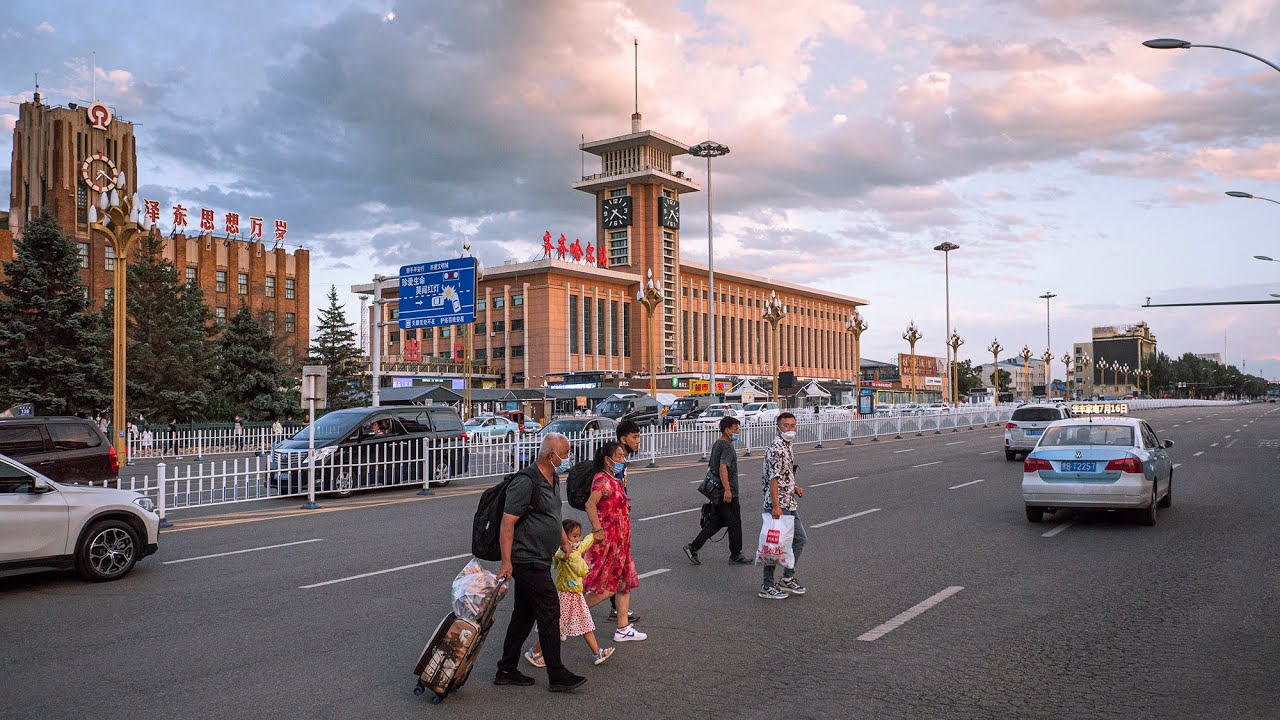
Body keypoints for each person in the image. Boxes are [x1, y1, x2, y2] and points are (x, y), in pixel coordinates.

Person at [494, 433, 587, 692]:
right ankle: (557, 675)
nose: (568, 458)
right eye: (565, 454)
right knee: (549, 612)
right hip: (527, 559)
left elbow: (553, 515)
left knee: (523, 615)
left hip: (541, 557)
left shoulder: (553, 477)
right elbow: (508, 522)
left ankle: (506, 669)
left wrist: (564, 543)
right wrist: (506, 562)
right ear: (550, 455)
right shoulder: (526, 482)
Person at [523, 519, 615, 669]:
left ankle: (598, 652)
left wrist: (593, 535)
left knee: (584, 623)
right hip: (565, 595)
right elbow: (580, 569)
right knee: (555, 627)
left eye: (579, 535)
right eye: (574, 536)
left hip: (575, 595)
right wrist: (587, 569)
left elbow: (585, 544)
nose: (578, 539)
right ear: (564, 537)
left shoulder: (574, 549)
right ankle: (535, 651)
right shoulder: (565, 553)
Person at [584, 441, 646, 642]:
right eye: (618, 456)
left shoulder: (615, 479)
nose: (622, 460)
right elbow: (590, 505)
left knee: (623, 584)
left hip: (621, 543)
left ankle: (623, 628)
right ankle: (563, 616)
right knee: (605, 588)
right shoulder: (602, 480)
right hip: (609, 542)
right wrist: (597, 529)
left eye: (623, 456)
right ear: (607, 460)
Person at [683, 416, 750, 564]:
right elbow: (723, 468)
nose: (738, 431)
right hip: (726, 492)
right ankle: (735, 555)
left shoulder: (717, 444)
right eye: (735, 429)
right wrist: (727, 490)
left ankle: (693, 547)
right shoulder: (726, 446)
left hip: (716, 492)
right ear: (727, 430)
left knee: (717, 522)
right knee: (734, 523)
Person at [759, 412, 807, 600]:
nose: (790, 429)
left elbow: (785, 474)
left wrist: (794, 487)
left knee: (799, 539)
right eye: (786, 426)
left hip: (789, 501)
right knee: (773, 546)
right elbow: (773, 477)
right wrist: (776, 507)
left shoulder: (788, 446)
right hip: (777, 504)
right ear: (778, 428)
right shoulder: (776, 448)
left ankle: (787, 577)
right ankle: (767, 585)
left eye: (793, 425)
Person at [608, 419, 642, 624]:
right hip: (612, 522)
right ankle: (570, 610)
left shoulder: (622, 459)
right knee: (612, 567)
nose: (638, 441)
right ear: (623, 439)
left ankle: (617, 609)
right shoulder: (616, 460)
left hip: (619, 519)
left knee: (615, 567)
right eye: (634, 437)